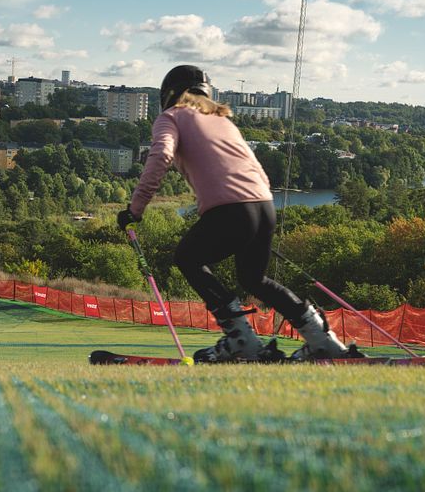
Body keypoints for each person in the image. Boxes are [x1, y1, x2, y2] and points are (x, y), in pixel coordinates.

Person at [117, 64, 354, 363]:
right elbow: (257, 170)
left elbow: (161, 155)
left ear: (169, 95)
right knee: (254, 279)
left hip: (231, 211)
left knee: (187, 258)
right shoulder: (224, 122)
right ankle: (323, 341)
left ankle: (241, 339)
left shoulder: (171, 117)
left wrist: (134, 210)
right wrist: (254, 224)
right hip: (263, 206)